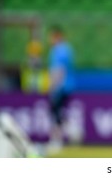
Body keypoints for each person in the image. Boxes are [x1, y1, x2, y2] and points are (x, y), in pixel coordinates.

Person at [46, 25, 75, 153]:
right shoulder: (65, 49)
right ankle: (72, 130)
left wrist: (53, 86)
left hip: (61, 86)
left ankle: (57, 141)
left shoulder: (60, 50)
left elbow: (59, 70)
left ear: (57, 37)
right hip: (66, 85)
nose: (50, 40)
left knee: (56, 112)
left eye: (52, 37)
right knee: (58, 112)